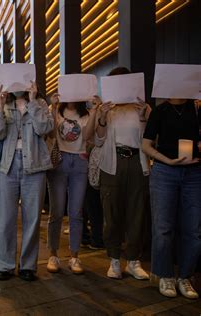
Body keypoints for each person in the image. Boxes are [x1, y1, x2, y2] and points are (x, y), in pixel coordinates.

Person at [0, 81, 54, 281]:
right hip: (7, 166)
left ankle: (28, 266)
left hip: (35, 165)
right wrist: (0, 106)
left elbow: (45, 128)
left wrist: (33, 101)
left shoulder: (41, 103)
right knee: (6, 218)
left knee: (32, 218)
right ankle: (4, 264)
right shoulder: (5, 104)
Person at [95, 67, 151, 280]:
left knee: (137, 213)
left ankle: (134, 261)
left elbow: (150, 139)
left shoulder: (142, 108)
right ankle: (115, 259)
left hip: (137, 161)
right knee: (112, 212)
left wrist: (143, 116)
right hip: (112, 163)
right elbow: (99, 140)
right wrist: (101, 116)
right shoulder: (107, 109)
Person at [142, 97, 200, 299]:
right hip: (165, 171)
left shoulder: (197, 108)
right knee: (163, 227)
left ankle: (185, 276)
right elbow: (146, 145)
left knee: (193, 229)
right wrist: (167, 160)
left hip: (194, 172)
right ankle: (165, 275)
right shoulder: (160, 111)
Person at [46, 93, 97, 275]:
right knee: (57, 211)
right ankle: (53, 254)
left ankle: (74, 256)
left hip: (79, 161)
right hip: (59, 160)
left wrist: (95, 111)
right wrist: (52, 109)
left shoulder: (86, 114)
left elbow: (89, 136)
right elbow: (51, 133)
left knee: (76, 212)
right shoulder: (56, 110)